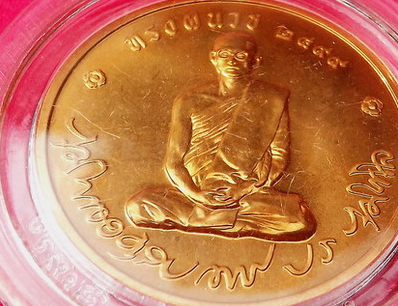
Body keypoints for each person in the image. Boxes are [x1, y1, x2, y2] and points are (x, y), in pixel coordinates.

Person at [125, 32, 316, 241]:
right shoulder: (189, 100)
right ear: (214, 58)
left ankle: (206, 220)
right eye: (224, 54)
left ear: (255, 61)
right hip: (195, 193)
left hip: (245, 194)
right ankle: (225, 221)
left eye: (240, 56)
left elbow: (278, 157)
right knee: (137, 207)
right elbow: (173, 162)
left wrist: (243, 189)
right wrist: (196, 194)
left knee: (300, 220)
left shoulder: (270, 98)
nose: (232, 61)